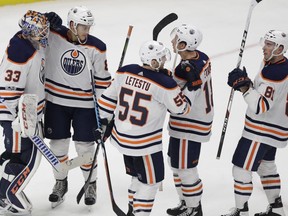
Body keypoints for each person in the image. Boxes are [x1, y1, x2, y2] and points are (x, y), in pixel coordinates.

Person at [98, 40, 192, 216]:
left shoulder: (125, 71)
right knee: (150, 183)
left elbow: (105, 101)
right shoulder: (165, 84)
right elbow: (182, 109)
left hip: (122, 139)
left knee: (137, 178)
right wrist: (189, 88)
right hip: (145, 146)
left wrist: (103, 124)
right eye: (161, 58)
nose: (164, 61)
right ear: (154, 61)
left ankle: (132, 211)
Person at [43, 6, 111, 208]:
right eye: (83, 27)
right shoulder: (54, 34)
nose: (86, 31)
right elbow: (31, 27)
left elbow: (102, 83)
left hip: (85, 106)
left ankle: (91, 184)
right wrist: (46, 19)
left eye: (89, 27)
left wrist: (105, 114)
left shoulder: (97, 47)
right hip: (56, 103)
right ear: (72, 24)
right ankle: (60, 182)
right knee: (57, 147)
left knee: (85, 148)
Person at [222, 30, 288, 216]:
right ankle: (277, 210)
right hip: (277, 128)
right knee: (266, 167)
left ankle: (241, 211)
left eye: (269, 44)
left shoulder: (274, 73)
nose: (264, 47)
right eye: (265, 43)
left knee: (241, 169)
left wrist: (244, 87)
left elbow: (260, 106)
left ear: (280, 48)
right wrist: (249, 84)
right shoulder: (281, 66)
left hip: (261, 130)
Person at [0, 10, 50, 215]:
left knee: (18, 155)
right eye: (41, 30)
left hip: (27, 113)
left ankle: (4, 192)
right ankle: (9, 193)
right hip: (17, 116)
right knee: (26, 158)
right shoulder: (20, 53)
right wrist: (19, 118)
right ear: (30, 31)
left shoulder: (30, 44)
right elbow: (7, 89)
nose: (45, 33)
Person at [165, 24, 214, 216]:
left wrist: (164, 82)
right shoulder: (201, 57)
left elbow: (182, 103)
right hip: (191, 121)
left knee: (186, 168)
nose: (172, 41)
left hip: (190, 122)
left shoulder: (189, 69)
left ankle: (194, 209)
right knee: (175, 163)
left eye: (176, 39)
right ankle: (185, 203)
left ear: (185, 44)